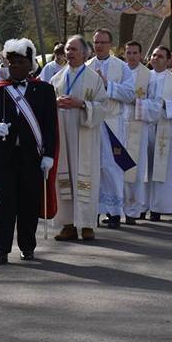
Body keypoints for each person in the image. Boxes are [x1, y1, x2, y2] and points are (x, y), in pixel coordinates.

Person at [0, 38, 58, 265]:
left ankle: (27, 247)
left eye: (20, 62)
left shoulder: (44, 90)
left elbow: (50, 126)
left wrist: (49, 154)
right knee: (4, 204)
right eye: (11, 63)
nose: (14, 67)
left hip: (33, 156)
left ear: (30, 64)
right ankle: (0, 249)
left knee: (29, 203)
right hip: (5, 156)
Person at [50, 35, 115, 241]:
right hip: (63, 135)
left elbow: (104, 107)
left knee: (86, 178)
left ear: (85, 53)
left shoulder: (93, 78)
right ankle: (68, 224)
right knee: (64, 178)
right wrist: (55, 102)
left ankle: (87, 225)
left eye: (74, 50)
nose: (69, 53)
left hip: (84, 135)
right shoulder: (57, 78)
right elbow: (46, 104)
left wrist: (82, 104)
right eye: (68, 49)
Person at [87, 29, 136, 229]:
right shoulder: (86, 65)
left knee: (112, 168)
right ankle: (94, 210)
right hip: (91, 121)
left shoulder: (122, 67)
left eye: (103, 42)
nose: (99, 46)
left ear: (111, 44)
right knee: (92, 167)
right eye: (96, 42)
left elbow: (131, 94)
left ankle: (114, 212)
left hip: (113, 123)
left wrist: (108, 85)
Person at [139, 46, 172, 220]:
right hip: (144, 127)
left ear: (169, 60)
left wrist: (166, 105)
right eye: (154, 55)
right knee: (143, 168)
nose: (156, 59)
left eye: (161, 56)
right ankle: (140, 206)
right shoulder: (143, 77)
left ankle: (157, 207)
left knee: (160, 170)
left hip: (164, 128)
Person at [120, 40, 152, 223]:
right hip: (119, 124)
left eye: (135, 53)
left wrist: (138, 103)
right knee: (118, 169)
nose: (131, 56)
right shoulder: (120, 71)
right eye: (128, 52)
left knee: (136, 169)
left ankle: (134, 209)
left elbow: (156, 102)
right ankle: (119, 209)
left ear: (141, 55)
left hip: (138, 125)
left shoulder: (148, 76)